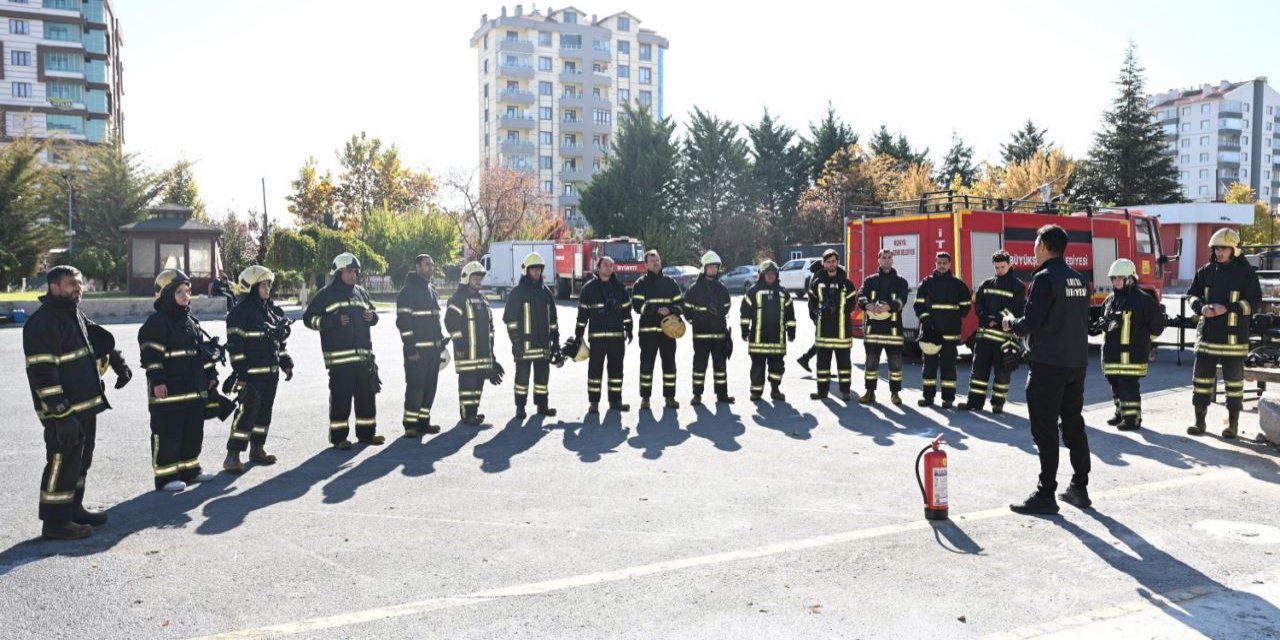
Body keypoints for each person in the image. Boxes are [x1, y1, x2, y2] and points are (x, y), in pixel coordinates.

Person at [23, 266, 125, 540]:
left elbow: (94, 336)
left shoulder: (72, 313)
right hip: (64, 411)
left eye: (80, 284)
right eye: (71, 284)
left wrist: (118, 362)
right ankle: (55, 522)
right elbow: (43, 374)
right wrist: (61, 413)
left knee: (81, 460)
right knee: (62, 461)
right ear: (54, 286)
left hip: (85, 406)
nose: (78, 289)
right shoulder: (43, 323)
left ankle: (73, 507)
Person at [1003, 225, 1092, 514]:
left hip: (1049, 365)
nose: (1033, 247)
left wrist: (1011, 325)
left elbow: (1031, 322)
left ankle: (1046, 494)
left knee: (1045, 430)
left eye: (1035, 242)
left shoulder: (1044, 278)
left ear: (1043, 245)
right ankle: (1079, 487)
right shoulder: (1079, 279)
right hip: (1075, 363)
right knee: (1073, 425)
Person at [139, 269, 220, 492]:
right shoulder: (157, 322)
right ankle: (165, 477)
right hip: (169, 392)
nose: (186, 296)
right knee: (168, 433)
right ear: (166, 295)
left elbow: (202, 352)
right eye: (180, 292)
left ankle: (190, 470)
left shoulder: (189, 321)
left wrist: (211, 376)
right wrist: (157, 381)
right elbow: (151, 356)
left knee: (193, 432)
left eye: (188, 291)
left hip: (192, 391)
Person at [1186, 228, 1262, 438]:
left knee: (1234, 385)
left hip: (1233, 340)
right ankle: (1199, 422)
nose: (1219, 252)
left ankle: (1232, 425)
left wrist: (1228, 308)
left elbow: (1255, 303)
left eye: (1224, 248)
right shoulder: (1205, 271)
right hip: (1207, 338)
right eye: (1216, 248)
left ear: (1234, 249)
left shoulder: (1246, 274)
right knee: (1201, 383)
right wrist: (1200, 307)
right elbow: (1191, 295)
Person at [303, 252, 384, 450]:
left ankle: (366, 434)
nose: (353, 275)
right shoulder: (326, 294)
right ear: (339, 272)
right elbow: (308, 319)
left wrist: (372, 317)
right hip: (339, 360)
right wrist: (331, 321)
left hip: (363, 358)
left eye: (355, 271)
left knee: (366, 397)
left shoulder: (360, 292)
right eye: (349, 271)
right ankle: (339, 438)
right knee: (341, 399)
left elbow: (373, 314)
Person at [222, 265, 294, 472]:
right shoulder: (239, 314)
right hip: (251, 376)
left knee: (264, 413)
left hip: (270, 374)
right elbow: (235, 348)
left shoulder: (269, 312)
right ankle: (232, 456)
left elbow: (279, 344)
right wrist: (241, 375)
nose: (268, 289)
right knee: (246, 414)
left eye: (269, 285)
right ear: (252, 287)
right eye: (264, 285)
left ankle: (257, 450)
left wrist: (286, 363)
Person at [1092, 259, 1167, 431]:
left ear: (1131, 279)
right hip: (1112, 354)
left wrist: (1143, 343)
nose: (1116, 281)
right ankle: (1121, 412)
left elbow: (1157, 326)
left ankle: (1132, 418)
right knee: (1115, 383)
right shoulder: (1110, 300)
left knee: (1128, 385)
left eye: (1120, 278)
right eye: (1113, 278)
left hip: (1131, 356)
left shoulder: (1143, 300)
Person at [959, 251, 1025, 413]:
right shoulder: (986, 284)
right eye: (997, 267)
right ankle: (974, 402)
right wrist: (984, 316)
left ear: (1009, 264)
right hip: (984, 337)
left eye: (1003, 267)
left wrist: (996, 318)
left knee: (1002, 372)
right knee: (978, 370)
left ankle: (997, 403)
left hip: (1005, 338)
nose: (1000, 270)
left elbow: (1016, 307)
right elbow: (978, 303)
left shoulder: (1018, 286)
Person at [504, 252, 560, 419]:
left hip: (543, 347)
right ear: (526, 270)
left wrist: (555, 344)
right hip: (524, 347)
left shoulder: (546, 293)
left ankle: (542, 405)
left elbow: (553, 321)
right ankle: (520, 408)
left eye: (538, 269)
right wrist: (516, 343)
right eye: (533, 269)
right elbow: (510, 320)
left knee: (542, 379)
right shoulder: (517, 292)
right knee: (522, 380)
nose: (536, 272)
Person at [446, 261, 503, 425]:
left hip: (483, 353)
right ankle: (466, 415)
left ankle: (474, 413)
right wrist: (459, 342)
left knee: (478, 383)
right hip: (466, 352)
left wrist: (491, 355)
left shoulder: (483, 300)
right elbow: (450, 321)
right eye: (475, 277)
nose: (478, 280)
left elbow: (490, 328)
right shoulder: (458, 299)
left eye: (480, 277)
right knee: (467, 384)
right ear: (466, 279)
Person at [914, 252, 972, 408]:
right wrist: (926, 321)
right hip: (930, 333)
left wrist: (954, 316)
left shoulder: (958, 285)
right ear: (935, 263)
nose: (942, 265)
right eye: (939, 262)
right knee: (929, 367)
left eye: (944, 263)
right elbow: (918, 305)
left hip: (950, 334)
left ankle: (948, 399)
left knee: (949, 367)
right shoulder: (926, 283)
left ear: (950, 264)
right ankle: (928, 397)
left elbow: (966, 305)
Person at [575, 256, 633, 413]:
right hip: (597, 337)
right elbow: (582, 315)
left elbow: (627, 310)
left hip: (616, 337)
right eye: (605, 265)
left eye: (611, 265)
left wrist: (629, 329)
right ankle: (593, 403)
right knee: (595, 371)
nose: (608, 267)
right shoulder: (589, 288)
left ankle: (616, 401)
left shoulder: (620, 288)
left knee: (616, 370)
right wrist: (578, 335)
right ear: (598, 267)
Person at [397, 254, 446, 437]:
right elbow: (403, 323)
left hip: (433, 352)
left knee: (429, 387)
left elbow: (436, 320)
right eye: (427, 264)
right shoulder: (407, 291)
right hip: (417, 352)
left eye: (432, 265)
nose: (431, 267)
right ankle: (410, 425)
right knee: (416, 388)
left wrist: (441, 343)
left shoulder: (431, 289)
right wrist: (410, 348)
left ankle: (424, 423)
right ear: (417, 266)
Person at [856, 248, 909, 405]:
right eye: (883, 257)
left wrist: (889, 307)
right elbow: (861, 295)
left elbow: (902, 300)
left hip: (893, 331)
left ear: (893, 260)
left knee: (895, 364)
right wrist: (868, 305)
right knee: (871, 363)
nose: (886, 260)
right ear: (878, 260)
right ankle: (870, 392)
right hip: (873, 331)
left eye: (889, 258)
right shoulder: (870, 280)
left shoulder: (901, 282)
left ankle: (895, 393)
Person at [631, 249, 683, 409]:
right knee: (646, 366)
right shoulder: (640, 284)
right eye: (652, 261)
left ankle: (670, 397)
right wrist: (655, 310)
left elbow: (680, 304)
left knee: (669, 366)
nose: (656, 263)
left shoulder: (670, 283)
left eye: (658, 260)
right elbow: (637, 306)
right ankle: (645, 399)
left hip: (668, 333)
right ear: (646, 264)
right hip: (648, 333)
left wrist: (672, 310)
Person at [684, 251, 735, 405]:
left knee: (720, 367)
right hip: (701, 336)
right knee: (699, 366)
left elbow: (727, 306)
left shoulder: (722, 288)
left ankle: (722, 395)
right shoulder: (694, 289)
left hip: (719, 336)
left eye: (715, 267)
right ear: (704, 268)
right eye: (710, 267)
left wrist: (719, 309)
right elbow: (687, 311)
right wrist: (698, 321)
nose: (713, 270)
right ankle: (697, 395)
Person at [741, 260, 795, 401]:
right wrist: (744, 330)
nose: (771, 276)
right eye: (768, 274)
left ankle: (775, 390)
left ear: (776, 275)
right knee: (757, 367)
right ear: (762, 275)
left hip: (778, 338)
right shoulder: (753, 292)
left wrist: (792, 331)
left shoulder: (783, 293)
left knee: (777, 366)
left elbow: (790, 314)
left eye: (773, 274)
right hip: (758, 338)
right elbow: (745, 313)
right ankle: (756, 392)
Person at [808, 249, 859, 401]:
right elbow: (811, 304)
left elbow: (851, 303)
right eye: (828, 262)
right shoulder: (817, 282)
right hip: (823, 331)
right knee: (822, 363)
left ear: (838, 262)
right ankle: (822, 391)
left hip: (842, 331)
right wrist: (818, 316)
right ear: (824, 264)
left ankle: (845, 392)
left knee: (844, 364)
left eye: (834, 261)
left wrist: (839, 312)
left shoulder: (846, 283)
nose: (831, 264)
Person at [795, 259, 826, 372]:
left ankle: (807, 359)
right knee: (823, 342)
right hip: (820, 315)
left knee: (823, 341)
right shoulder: (819, 279)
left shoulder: (814, 278)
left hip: (816, 314)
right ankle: (806, 359)